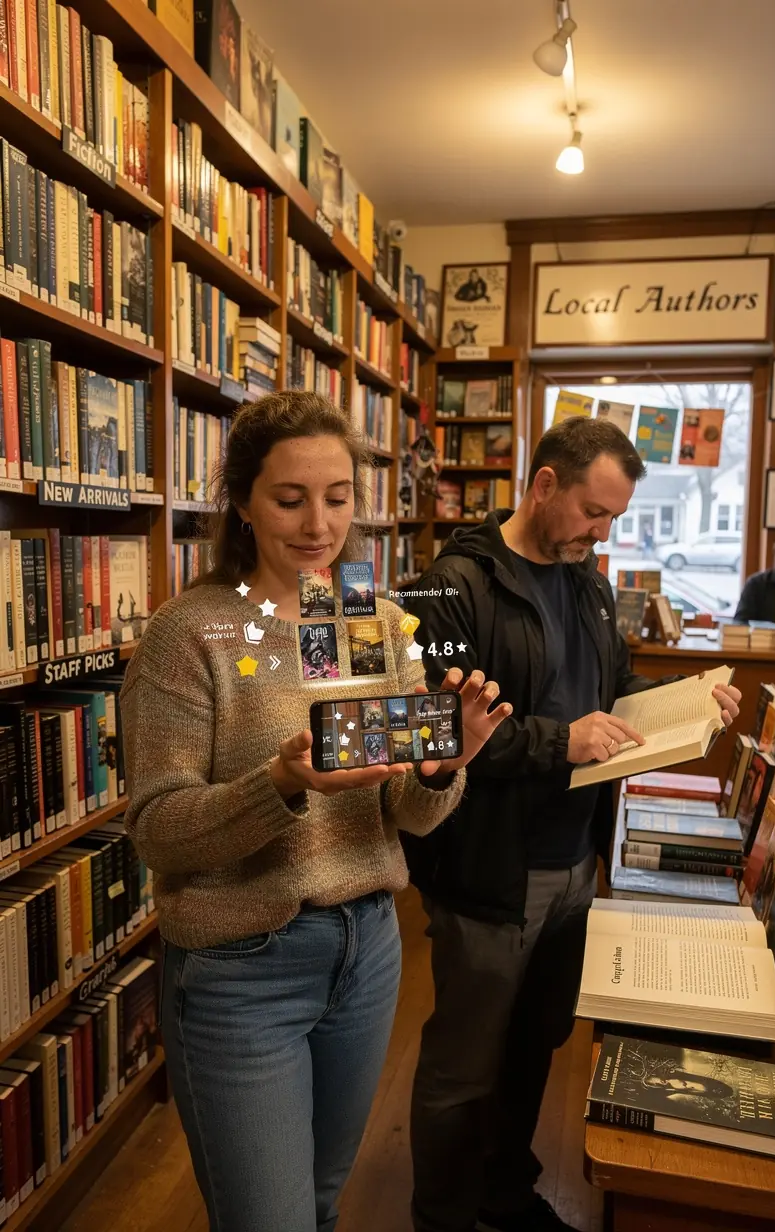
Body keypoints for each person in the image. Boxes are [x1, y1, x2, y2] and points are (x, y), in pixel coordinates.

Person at [119, 392, 513, 1232]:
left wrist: (445, 766)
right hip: (241, 966)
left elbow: (405, 814)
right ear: (242, 502)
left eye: (337, 497)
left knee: (323, 1204)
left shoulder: (364, 615)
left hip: (366, 948)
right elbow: (156, 828)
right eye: (289, 498)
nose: (318, 524)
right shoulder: (195, 632)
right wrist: (283, 785)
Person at [403, 417, 741, 1232]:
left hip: (574, 860)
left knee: (533, 1047)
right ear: (544, 484)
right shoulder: (448, 583)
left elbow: (614, 688)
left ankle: (504, 1195)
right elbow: (436, 729)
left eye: (616, 519)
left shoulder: (588, 582)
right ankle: (442, 1217)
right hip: (489, 866)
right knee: (464, 1064)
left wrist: (688, 699)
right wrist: (565, 739)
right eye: (595, 512)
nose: (603, 532)